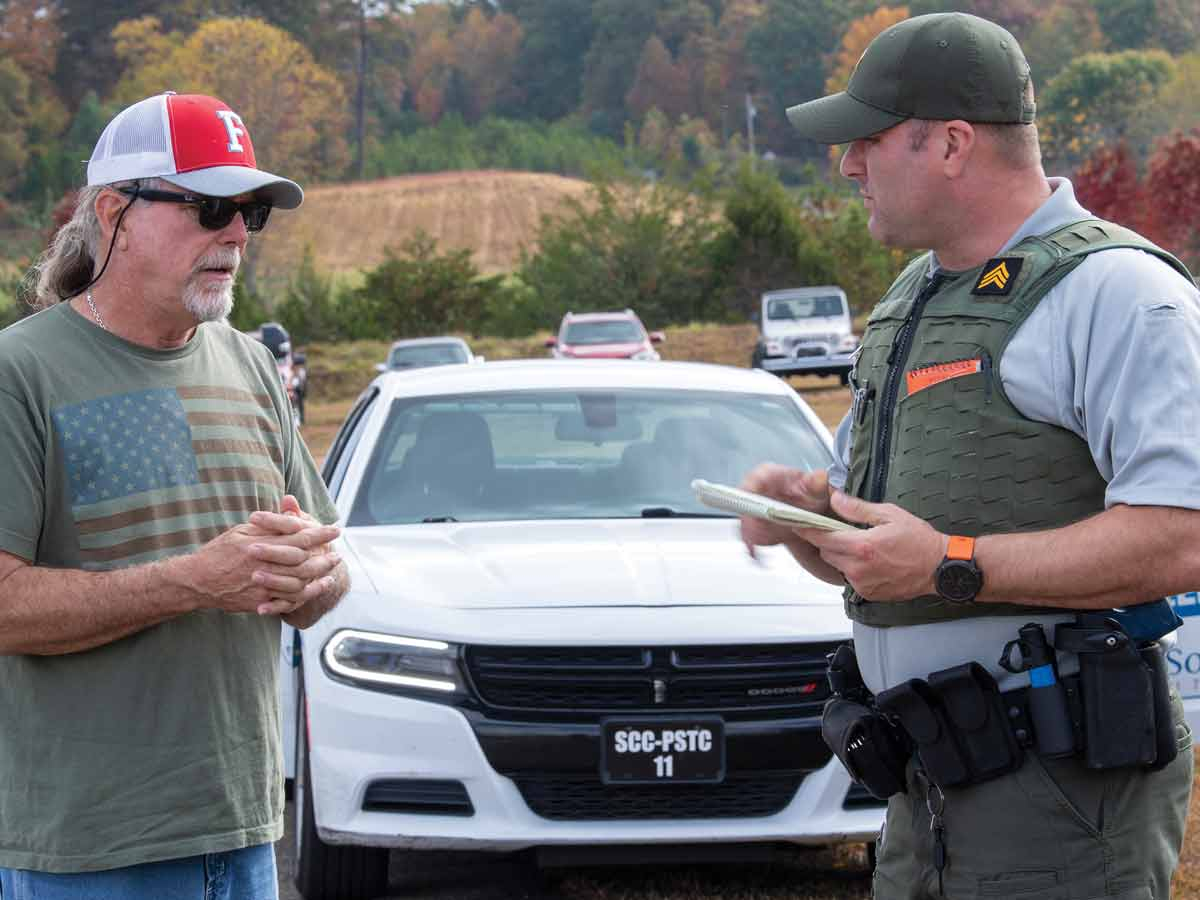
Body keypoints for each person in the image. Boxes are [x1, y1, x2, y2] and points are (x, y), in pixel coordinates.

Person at [740, 13, 1198, 900]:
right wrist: (810, 516)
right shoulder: (916, 296)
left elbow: (1180, 535)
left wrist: (950, 566)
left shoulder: (1119, 294)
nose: (847, 165)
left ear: (951, 144)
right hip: (929, 782)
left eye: (867, 140)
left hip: (1059, 797)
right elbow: (898, 543)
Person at [0, 92, 347, 899]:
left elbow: (329, 568)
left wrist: (311, 581)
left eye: (250, 214)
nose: (235, 234)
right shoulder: (22, 371)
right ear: (115, 212)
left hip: (248, 835)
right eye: (210, 207)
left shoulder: (254, 366)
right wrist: (194, 579)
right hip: (87, 853)